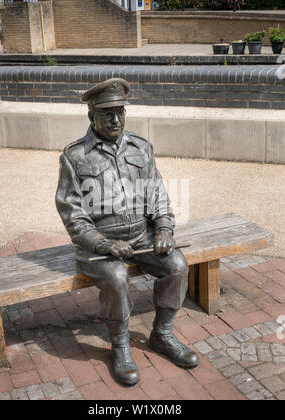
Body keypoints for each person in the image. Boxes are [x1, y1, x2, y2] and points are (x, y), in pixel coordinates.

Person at [55, 78, 200, 386]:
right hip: (98, 245)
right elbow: (73, 214)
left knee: (177, 265)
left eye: (120, 111)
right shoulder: (75, 157)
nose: (116, 119)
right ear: (91, 115)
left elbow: (158, 194)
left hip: (141, 235)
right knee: (117, 277)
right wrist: (103, 242)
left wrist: (163, 227)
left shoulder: (141, 148)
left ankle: (162, 335)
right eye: (107, 113)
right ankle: (120, 346)